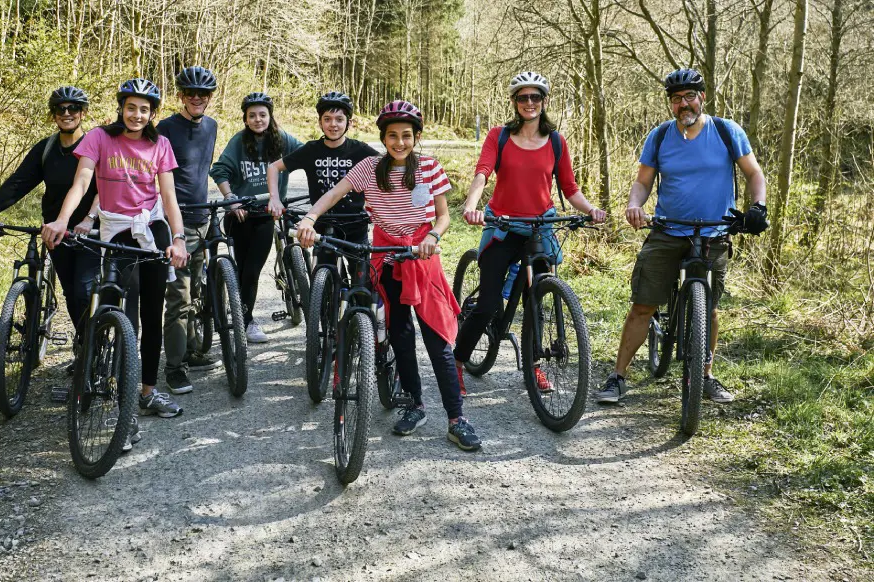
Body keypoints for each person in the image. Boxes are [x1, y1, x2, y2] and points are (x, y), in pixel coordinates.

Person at [296, 100, 482, 452]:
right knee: (399, 333)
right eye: (392, 136)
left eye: (406, 136)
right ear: (383, 137)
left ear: (416, 137)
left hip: (421, 256)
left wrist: (432, 237)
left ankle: (457, 418)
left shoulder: (428, 167)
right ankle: (415, 403)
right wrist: (308, 219)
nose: (399, 142)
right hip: (385, 256)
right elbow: (333, 195)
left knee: (437, 339)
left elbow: (443, 217)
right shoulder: (369, 168)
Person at [594, 68, 768, 405]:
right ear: (670, 104)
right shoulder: (659, 136)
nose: (683, 104)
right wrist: (634, 205)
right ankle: (618, 377)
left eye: (689, 96)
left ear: (702, 97)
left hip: (715, 231)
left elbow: (753, 172)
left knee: (711, 308)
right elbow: (643, 181)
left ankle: (705, 375)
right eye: (676, 99)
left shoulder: (726, 131)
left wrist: (758, 208)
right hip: (668, 230)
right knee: (643, 305)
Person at [41, 78, 189, 446]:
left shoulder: (161, 145)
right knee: (125, 316)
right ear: (121, 108)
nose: (137, 115)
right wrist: (63, 219)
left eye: (144, 109)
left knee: (153, 313)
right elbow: (81, 182)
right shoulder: (99, 139)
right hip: (117, 232)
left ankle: (147, 391)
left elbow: (168, 196)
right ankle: (120, 404)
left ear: (153, 113)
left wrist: (180, 237)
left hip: (152, 231)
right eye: (131, 107)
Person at [457, 72, 606, 396]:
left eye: (535, 97)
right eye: (522, 98)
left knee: (536, 301)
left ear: (543, 102)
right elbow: (482, 173)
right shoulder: (499, 136)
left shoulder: (555, 141)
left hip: (541, 228)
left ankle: (534, 367)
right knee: (487, 304)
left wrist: (591, 209)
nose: (529, 103)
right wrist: (472, 204)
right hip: (504, 228)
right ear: (514, 102)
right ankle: (457, 360)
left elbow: (570, 188)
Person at [0, 86, 102, 395]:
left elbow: (105, 187)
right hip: (54, 231)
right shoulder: (45, 149)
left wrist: (89, 220)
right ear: (53, 115)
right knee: (72, 293)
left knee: (84, 291)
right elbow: (20, 181)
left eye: (73, 109)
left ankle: (93, 354)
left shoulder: (95, 145)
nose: (67, 113)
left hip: (89, 231)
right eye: (61, 109)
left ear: (83, 114)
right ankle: (85, 346)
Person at [209, 92, 302, 343]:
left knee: (251, 270)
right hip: (240, 214)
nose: (258, 119)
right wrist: (232, 199)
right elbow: (219, 170)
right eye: (252, 115)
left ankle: (245, 317)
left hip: (265, 215)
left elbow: (307, 155)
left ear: (270, 116)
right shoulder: (238, 142)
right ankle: (245, 318)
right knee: (242, 269)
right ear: (245, 119)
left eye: (262, 114)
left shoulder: (282, 140)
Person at [157, 66, 222, 395]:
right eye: (190, 93)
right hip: (176, 222)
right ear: (180, 95)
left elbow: (203, 170)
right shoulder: (165, 128)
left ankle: (192, 350)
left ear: (210, 98)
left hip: (202, 217)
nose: (197, 98)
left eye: (204, 94)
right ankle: (174, 368)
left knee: (197, 290)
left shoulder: (212, 126)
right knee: (179, 298)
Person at [266, 91, 378, 279]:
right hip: (323, 226)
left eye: (339, 119)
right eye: (327, 119)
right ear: (320, 123)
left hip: (355, 225)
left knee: (363, 286)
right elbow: (273, 168)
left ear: (348, 123)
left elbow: (388, 172)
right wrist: (275, 198)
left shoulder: (360, 150)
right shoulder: (311, 150)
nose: (333, 124)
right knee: (325, 283)